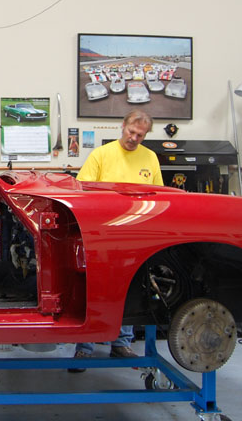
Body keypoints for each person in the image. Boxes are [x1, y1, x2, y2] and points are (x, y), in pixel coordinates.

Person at [67, 109, 163, 372]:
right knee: (95, 291)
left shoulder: (150, 158)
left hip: (135, 237)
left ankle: (121, 344)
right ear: (123, 126)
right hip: (102, 236)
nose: (134, 138)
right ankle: (84, 348)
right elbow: (82, 192)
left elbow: (158, 196)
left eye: (140, 135)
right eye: (131, 132)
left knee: (130, 289)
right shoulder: (101, 155)